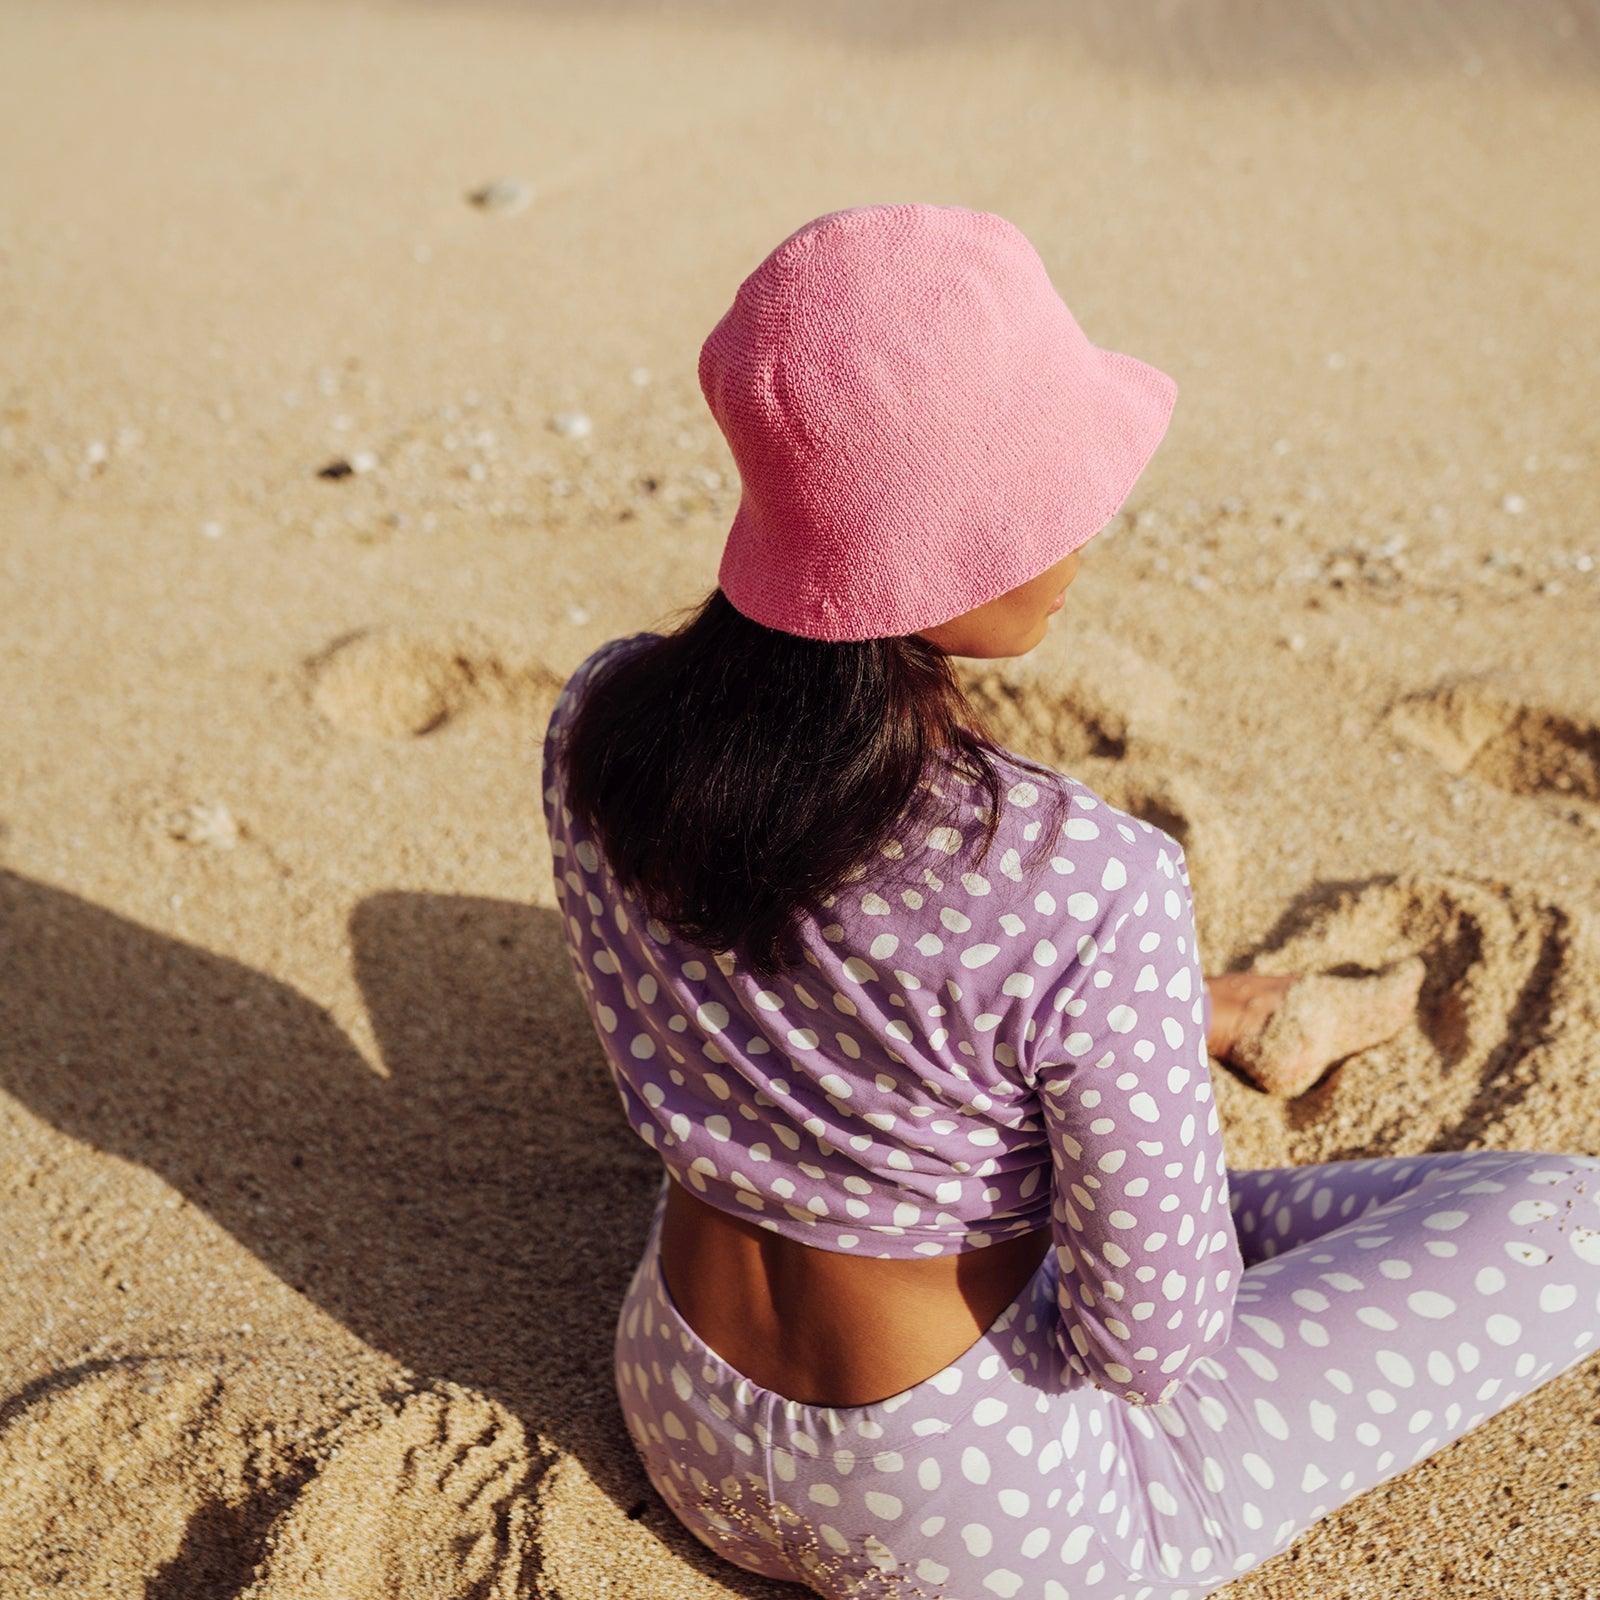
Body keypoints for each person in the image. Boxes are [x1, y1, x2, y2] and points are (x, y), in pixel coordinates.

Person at [540, 204, 1600, 1599]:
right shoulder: (1082, 878)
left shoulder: (606, 718)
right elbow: (1148, 1346)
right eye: (1053, 493)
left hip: (680, 1397)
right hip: (963, 1509)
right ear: (953, 541)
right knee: (1565, 1222)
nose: (1089, 529)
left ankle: (1172, 1040)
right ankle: (1162, 1055)